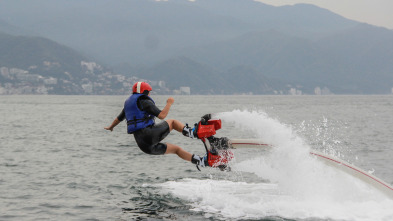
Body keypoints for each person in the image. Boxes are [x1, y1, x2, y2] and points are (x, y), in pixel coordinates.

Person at [104, 81, 208, 168]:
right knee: (172, 122)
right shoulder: (144, 101)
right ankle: (194, 133)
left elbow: (118, 119)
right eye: (149, 92)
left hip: (144, 146)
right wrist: (169, 103)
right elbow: (162, 115)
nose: (150, 94)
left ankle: (202, 161)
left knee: (176, 150)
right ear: (145, 92)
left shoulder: (129, 104)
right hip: (148, 134)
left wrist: (110, 127)